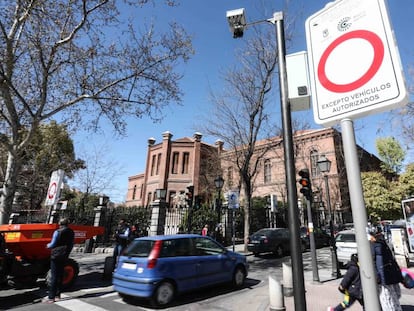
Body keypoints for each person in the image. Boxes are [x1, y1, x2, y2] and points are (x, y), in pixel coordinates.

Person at [369, 229, 403, 311]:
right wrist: (377, 275)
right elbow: (372, 261)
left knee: (396, 294)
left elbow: (391, 258)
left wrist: (397, 271)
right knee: (387, 298)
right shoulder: (372, 245)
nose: (380, 236)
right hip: (383, 275)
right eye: (378, 235)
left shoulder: (382, 243)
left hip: (390, 272)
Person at [44, 218, 74, 303]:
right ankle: (57, 295)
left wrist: (47, 245)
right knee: (60, 275)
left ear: (60, 223)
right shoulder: (71, 232)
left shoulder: (57, 232)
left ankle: (51, 297)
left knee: (54, 276)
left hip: (56, 255)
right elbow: (71, 243)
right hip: (64, 254)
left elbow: (52, 244)